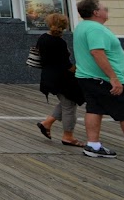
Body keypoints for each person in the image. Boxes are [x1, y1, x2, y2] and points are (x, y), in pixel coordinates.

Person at [73, 0, 124, 163]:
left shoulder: (81, 27)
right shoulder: (96, 29)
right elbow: (97, 52)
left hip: (87, 77)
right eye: (104, 8)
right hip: (103, 78)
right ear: (96, 12)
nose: (107, 10)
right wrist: (113, 78)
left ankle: (93, 146)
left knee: (95, 109)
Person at [35, 13, 85, 147]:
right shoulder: (59, 42)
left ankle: (46, 123)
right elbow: (66, 65)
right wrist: (79, 69)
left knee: (66, 102)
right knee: (69, 106)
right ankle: (68, 136)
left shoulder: (43, 38)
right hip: (62, 78)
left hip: (48, 76)